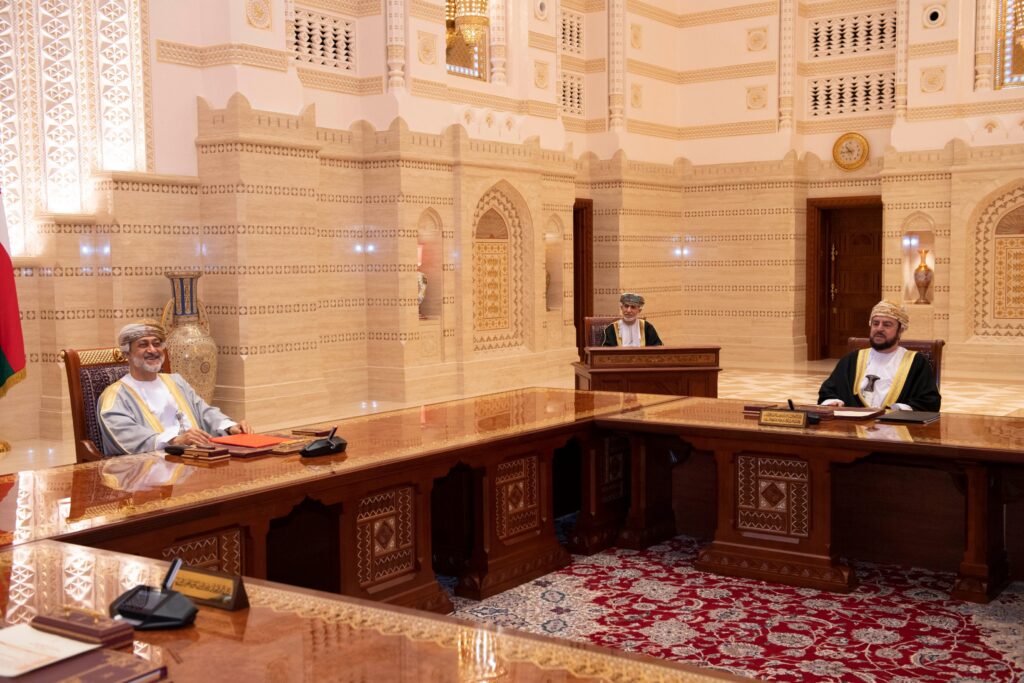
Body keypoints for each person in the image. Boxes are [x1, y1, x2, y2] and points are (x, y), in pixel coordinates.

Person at [97, 321, 251, 455]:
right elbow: (125, 435)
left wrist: (230, 427)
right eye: (143, 344)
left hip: (197, 460)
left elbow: (204, 411)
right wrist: (174, 440)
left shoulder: (175, 382)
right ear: (127, 353)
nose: (152, 350)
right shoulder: (115, 396)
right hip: (151, 469)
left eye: (156, 344)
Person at [818, 300, 941, 411]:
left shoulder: (916, 363)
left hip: (896, 426)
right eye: (875, 323)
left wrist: (898, 410)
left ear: (900, 330)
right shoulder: (852, 359)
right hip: (853, 425)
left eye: (887, 325)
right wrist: (833, 402)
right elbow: (829, 392)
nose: (879, 329)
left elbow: (929, 402)